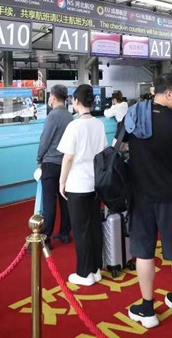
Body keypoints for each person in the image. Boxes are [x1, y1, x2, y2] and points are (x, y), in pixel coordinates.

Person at [127, 73, 172, 329]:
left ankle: (147, 308)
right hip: (171, 195)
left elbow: (121, 147)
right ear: (168, 94)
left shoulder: (134, 115)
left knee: (144, 251)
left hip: (141, 194)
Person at [58, 84, 108, 287]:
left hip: (77, 185)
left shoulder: (74, 126)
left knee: (81, 230)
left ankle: (84, 273)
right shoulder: (99, 124)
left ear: (76, 101)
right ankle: (95, 269)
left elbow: (68, 158)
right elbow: (103, 152)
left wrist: (62, 182)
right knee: (94, 226)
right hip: (95, 184)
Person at [36, 85, 73, 247]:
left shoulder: (53, 116)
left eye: (50, 95)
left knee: (49, 202)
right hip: (66, 164)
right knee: (64, 200)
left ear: (53, 96)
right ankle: (64, 233)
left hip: (51, 163)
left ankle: (45, 237)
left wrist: (39, 158)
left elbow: (45, 140)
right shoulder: (70, 116)